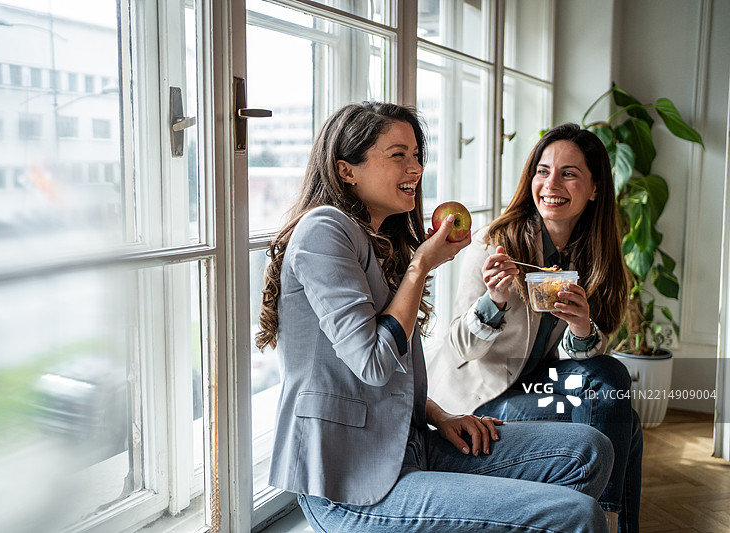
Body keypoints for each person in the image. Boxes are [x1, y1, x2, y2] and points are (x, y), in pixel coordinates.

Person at [256, 104, 614, 532]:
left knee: (589, 450)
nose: (416, 168)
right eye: (398, 155)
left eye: (416, 155)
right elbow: (373, 363)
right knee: (578, 515)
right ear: (346, 170)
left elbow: (390, 375)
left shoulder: (380, 241)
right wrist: (421, 266)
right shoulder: (324, 229)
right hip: (349, 483)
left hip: (406, 445)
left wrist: (440, 415)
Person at [427, 123, 642, 533]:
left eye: (569, 173)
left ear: (595, 189)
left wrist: (581, 327)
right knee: (625, 424)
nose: (551, 184)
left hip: (533, 385)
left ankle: (599, 520)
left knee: (611, 376)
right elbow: (457, 348)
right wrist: (493, 302)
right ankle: (605, 521)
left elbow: (588, 352)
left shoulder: (590, 254)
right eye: (543, 171)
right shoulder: (495, 244)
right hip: (482, 398)